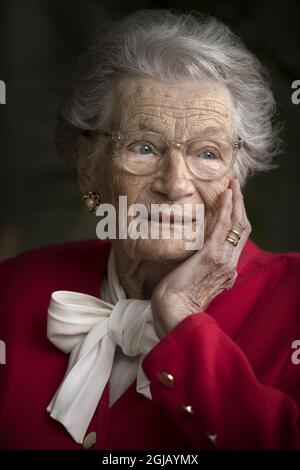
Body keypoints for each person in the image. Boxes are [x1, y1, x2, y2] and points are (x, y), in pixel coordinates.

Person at [0, 9, 300, 451]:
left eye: (208, 153)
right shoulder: (10, 289)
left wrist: (179, 315)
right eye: (143, 147)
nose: (175, 183)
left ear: (241, 175)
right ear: (89, 170)